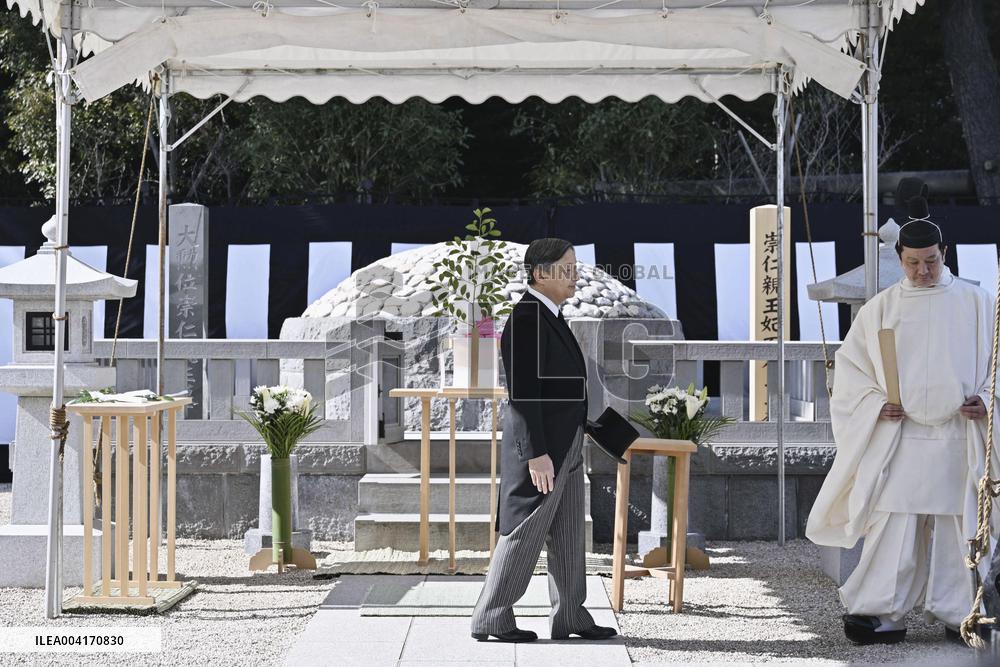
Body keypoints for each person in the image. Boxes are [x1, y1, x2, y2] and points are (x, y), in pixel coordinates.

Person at [806, 197, 1000, 645]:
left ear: (944, 253)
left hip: (959, 432)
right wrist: (876, 403)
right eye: (913, 263)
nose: (922, 271)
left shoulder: (977, 302)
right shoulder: (880, 308)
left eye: (930, 261)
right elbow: (851, 369)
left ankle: (961, 612)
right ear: (900, 258)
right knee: (894, 527)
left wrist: (989, 398)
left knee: (958, 528)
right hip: (903, 434)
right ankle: (879, 613)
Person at [470, 238, 618, 643]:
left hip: (566, 442)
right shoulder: (527, 319)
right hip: (542, 449)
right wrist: (535, 454)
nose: (575, 276)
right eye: (566, 268)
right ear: (539, 273)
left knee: (568, 532)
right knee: (524, 529)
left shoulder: (550, 315)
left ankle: (570, 615)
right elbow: (523, 394)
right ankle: (491, 617)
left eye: (575, 267)